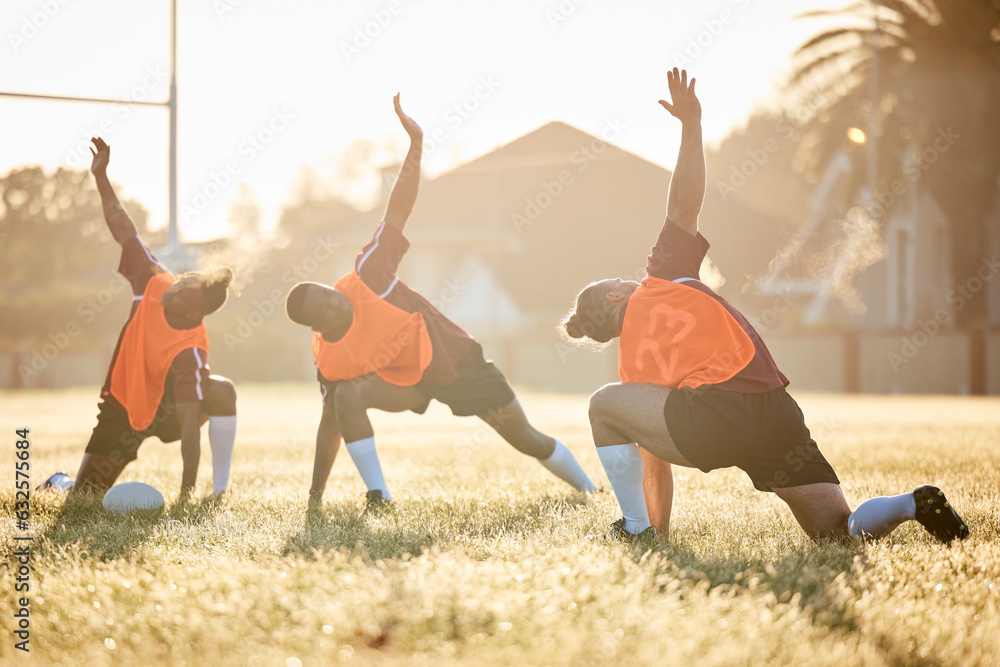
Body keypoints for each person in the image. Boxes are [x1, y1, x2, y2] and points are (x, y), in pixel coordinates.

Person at [561, 69, 969, 544]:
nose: (625, 276)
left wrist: (658, 532)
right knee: (838, 532)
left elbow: (654, 465)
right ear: (615, 295)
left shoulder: (634, 366)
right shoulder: (663, 275)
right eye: (616, 279)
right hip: (774, 408)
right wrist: (692, 127)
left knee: (602, 405)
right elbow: (683, 206)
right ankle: (909, 503)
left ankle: (635, 530)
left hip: (716, 415)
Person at [285, 94, 596, 508]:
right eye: (323, 309)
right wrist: (314, 497)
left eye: (328, 294)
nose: (334, 304)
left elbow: (397, 210)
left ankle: (590, 490)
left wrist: (415, 147)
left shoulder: (369, 276)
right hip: (407, 383)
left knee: (525, 438)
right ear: (317, 327)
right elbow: (330, 424)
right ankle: (379, 496)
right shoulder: (330, 356)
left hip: (456, 362)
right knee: (345, 398)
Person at [40, 137, 238, 498]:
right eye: (182, 280)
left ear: (193, 312)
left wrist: (186, 493)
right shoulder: (152, 279)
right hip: (123, 403)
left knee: (222, 390)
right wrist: (101, 177)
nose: (174, 287)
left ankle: (220, 490)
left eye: (183, 291)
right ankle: (59, 482)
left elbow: (191, 423)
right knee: (83, 498)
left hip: (168, 413)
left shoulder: (190, 349)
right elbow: (123, 229)